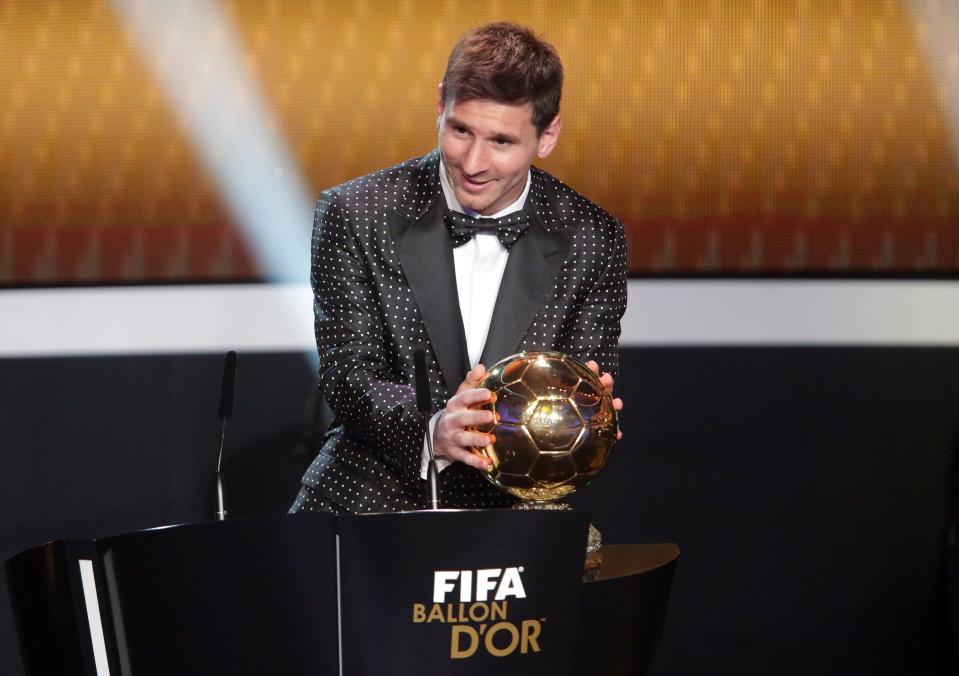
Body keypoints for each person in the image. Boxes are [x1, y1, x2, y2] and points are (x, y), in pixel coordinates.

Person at [290, 22, 626, 514]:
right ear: (440, 106)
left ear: (547, 135)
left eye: (501, 142)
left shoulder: (592, 236)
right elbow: (347, 372)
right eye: (460, 130)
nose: (473, 162)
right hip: (373, 499)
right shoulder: (356, 212)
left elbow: (588, 373)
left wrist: (586, 413)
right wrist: (434, 432)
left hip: (516, 507)